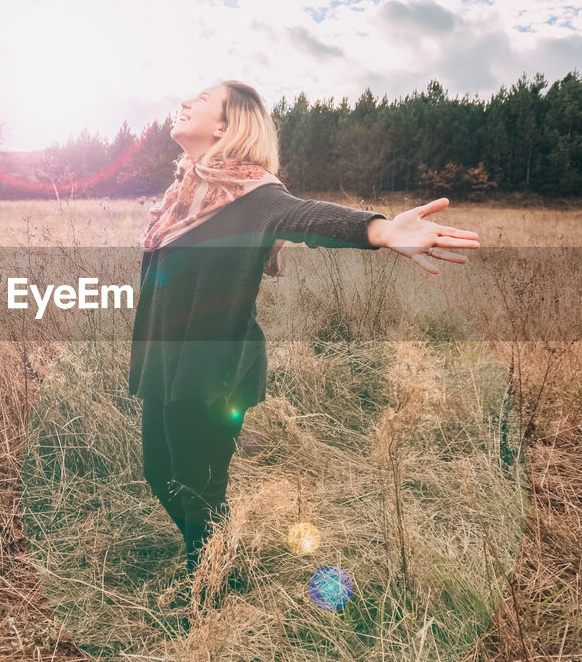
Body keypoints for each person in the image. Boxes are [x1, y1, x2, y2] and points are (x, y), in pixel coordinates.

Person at [129, 80, 480, 582]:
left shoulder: (253, 195)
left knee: (196, 485)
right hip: (168, 360)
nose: (184, 102)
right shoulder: (183, 196)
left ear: (226, 125)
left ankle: (209, 583)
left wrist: (380, 230)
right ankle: (213, 561)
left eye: (201, 100)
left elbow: (305, 215)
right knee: (160, 475)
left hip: (212, 368)